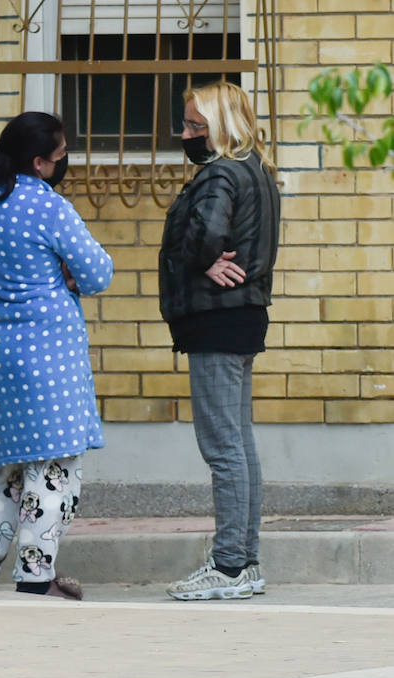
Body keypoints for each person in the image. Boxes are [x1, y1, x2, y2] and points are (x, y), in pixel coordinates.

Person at [0, 112, 114, 599]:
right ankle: (36, 577)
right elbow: (98, 272)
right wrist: (67, 271)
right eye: (59, 156)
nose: (63, 163)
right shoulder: (48, 206)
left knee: (1, 469)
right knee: (53, 470)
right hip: (49, 354)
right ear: (39, 163)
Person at [159, 81, 280, 601]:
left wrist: (199, 259)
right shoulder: (258, 169)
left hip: (215, 319)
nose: (185, 135)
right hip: (245, 315)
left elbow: (204, 236)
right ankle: (246, 561)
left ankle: (229, 564)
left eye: (195, 127)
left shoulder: (220, 174)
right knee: (240, 443)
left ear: (222, 128)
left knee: (222, 446)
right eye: (186, 125)